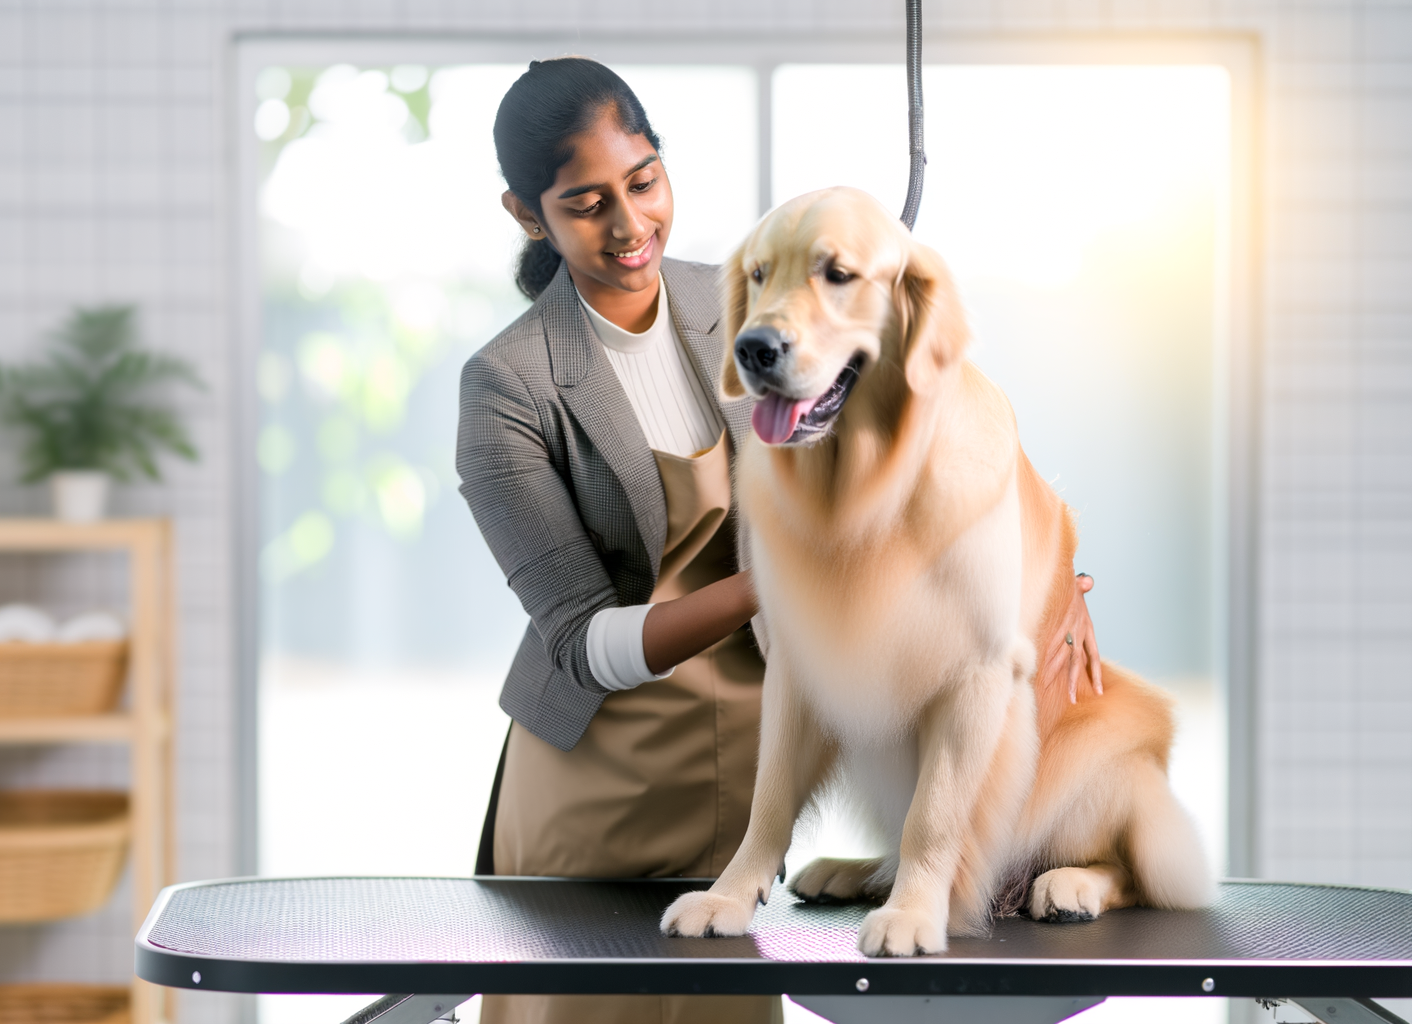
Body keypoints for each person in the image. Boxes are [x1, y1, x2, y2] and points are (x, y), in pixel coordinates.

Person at [456, 57, 1102, 1024]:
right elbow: (578, 642)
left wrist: (1044, 580)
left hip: (749, 787)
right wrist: (785, 588)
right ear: (526, 213)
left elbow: (924, 442)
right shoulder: (507, 385)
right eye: (586, 203)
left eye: (642, 182)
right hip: (599, 787)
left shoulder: (746, 297)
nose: (629, 224)